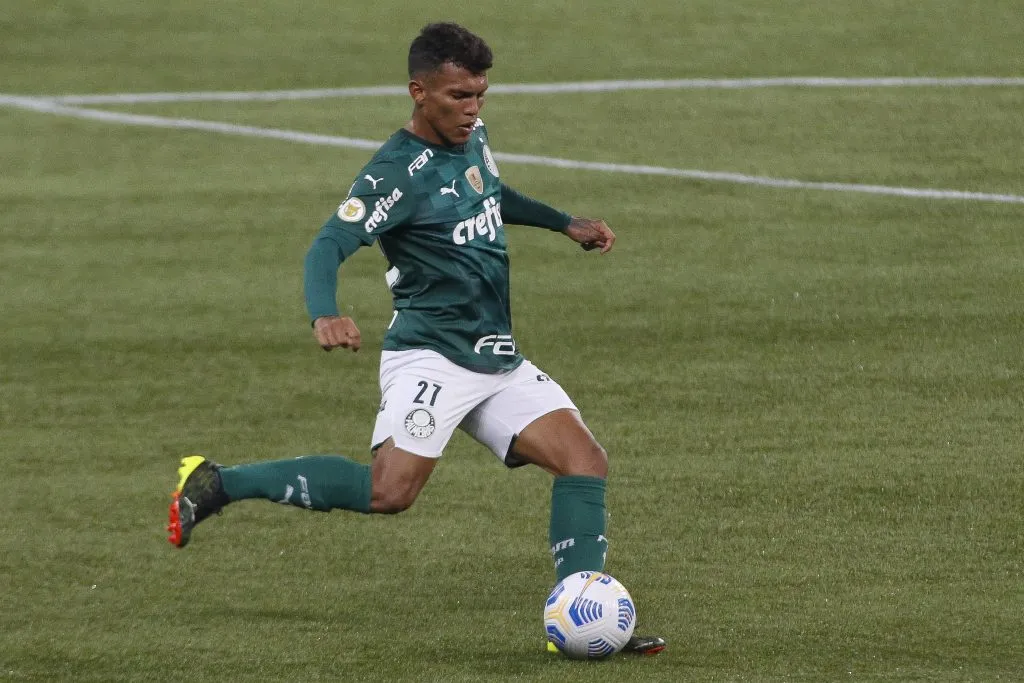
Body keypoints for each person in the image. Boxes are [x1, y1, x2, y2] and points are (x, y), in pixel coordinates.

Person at [167, 21, 664, 656]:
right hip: (431, 357)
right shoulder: (392, 175)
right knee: (390, 492)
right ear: (419, 92)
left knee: (584, 461)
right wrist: (325, 313)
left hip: (494, 357)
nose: (473, 108)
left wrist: (563, 223)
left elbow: (487, 193)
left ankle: (580, 615)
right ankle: (219, 482)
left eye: (480, 94)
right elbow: (328, 244)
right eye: (459, 96)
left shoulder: (473, 136)